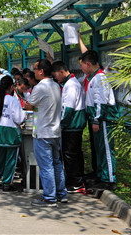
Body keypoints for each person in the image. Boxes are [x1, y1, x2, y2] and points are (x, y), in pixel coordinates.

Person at [23, 59, 67, 206]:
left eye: (35, 69)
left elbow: (29, 105)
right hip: (55, 131)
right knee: (56, 163)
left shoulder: (40, 87)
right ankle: (61, 193)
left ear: (41, 71)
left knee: (46, 166)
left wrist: (30, 106)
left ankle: (49, 197)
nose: (34, 72)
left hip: (43, 132)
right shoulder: (56, 85)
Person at [80, 49, 118, 188]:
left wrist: (97, 119)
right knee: (99, 149)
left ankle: (109, 179)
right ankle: (101, 174)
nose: (81, 69)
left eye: (82, 65)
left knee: (106, 149)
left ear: (88, 64)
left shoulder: (100, 78)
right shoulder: (93, 78)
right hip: (96, 118)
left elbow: (100, 102)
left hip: (104, 120)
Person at [51, 60, 86, 193]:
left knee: (69, 154)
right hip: (74, 124)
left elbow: (68, 108)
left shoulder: (70, 85)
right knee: (75, 153)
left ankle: (75, 182)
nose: (56, 78)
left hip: (72, 125)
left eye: (56, 75)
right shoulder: (71, 83)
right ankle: (78, 179)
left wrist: (62, 124)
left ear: (61, 72)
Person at [0, 76, 26, 192]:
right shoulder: (13, 100)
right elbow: (19, 119)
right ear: (11, 87)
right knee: (11, 159)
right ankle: (6, 183)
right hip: (11, 132)